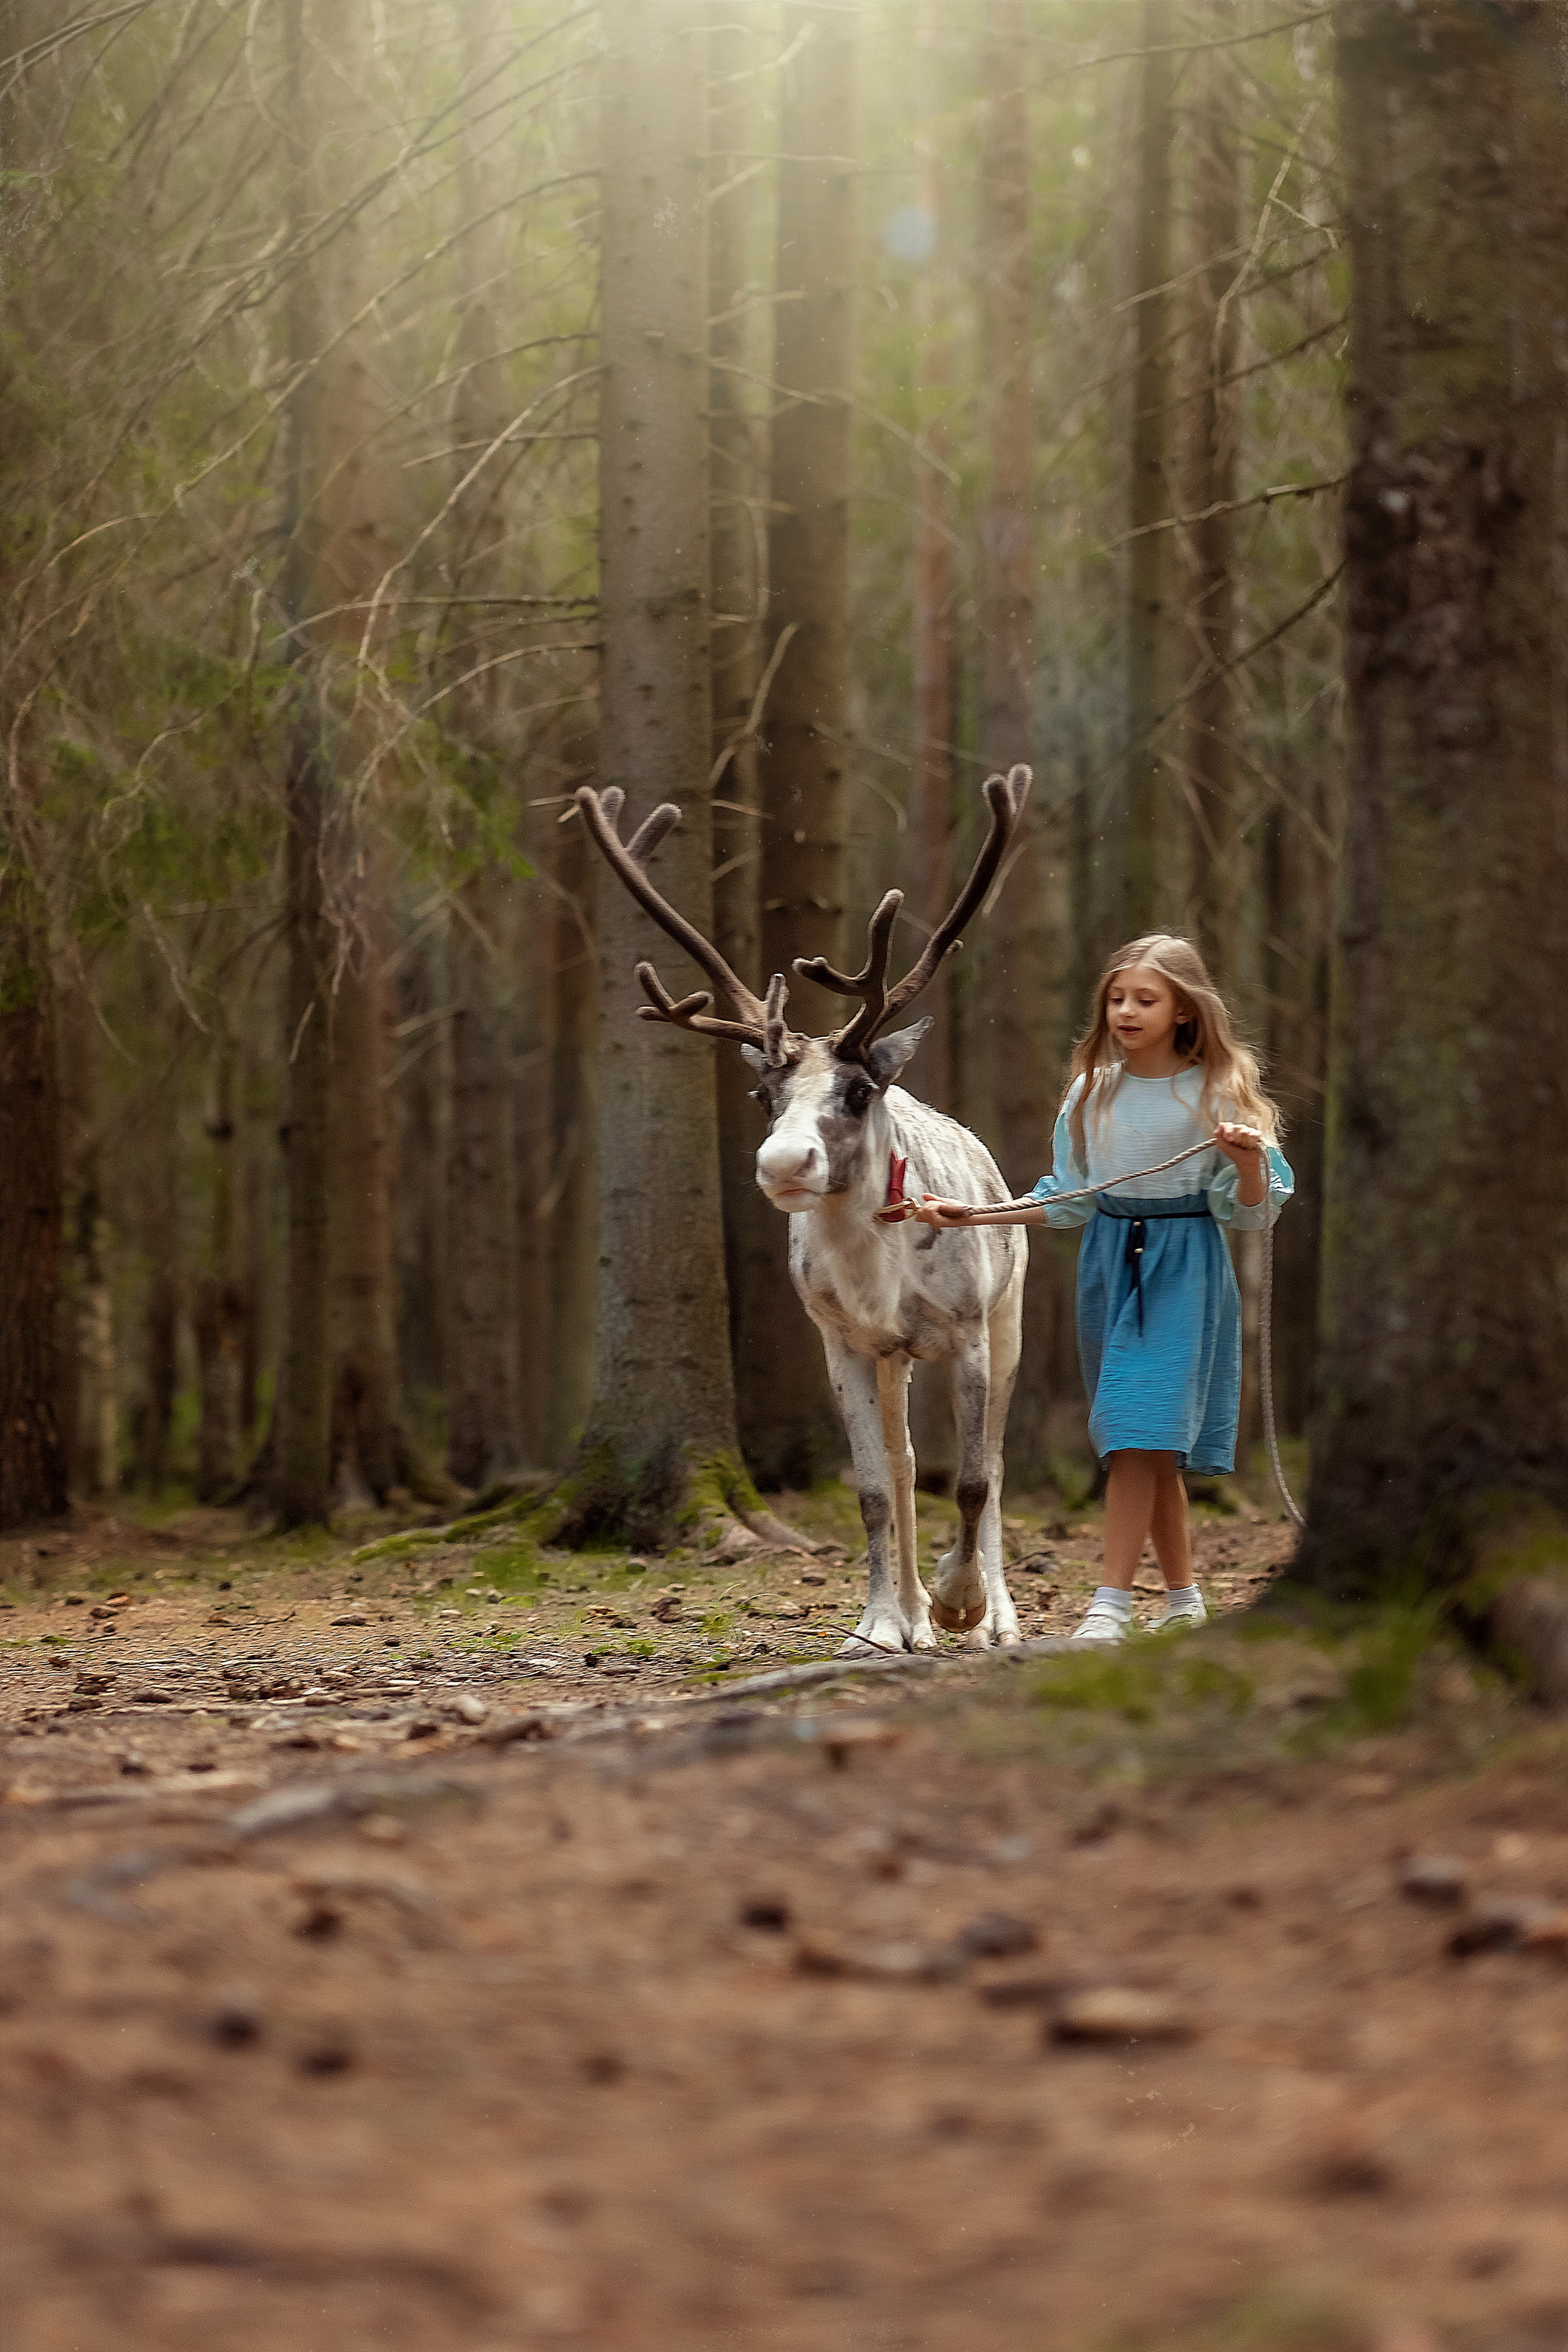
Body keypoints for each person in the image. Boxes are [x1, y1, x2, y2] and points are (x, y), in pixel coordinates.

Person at [913, 933, 1292, 1643]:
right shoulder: (1091, 1093)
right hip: (1109, 1265)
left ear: (1184, 1010)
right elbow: (1069, 1199)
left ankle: (1108, 1606)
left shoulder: (1215, 1090)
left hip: (1184, 1266)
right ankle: (1184, 1603)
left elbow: (1255, 1209)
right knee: (1143, 1445)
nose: (1126, 1011)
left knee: (1132, 1434)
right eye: (1116, 998)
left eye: (1145, 999)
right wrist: (977, 1213)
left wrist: (1244, 1162)